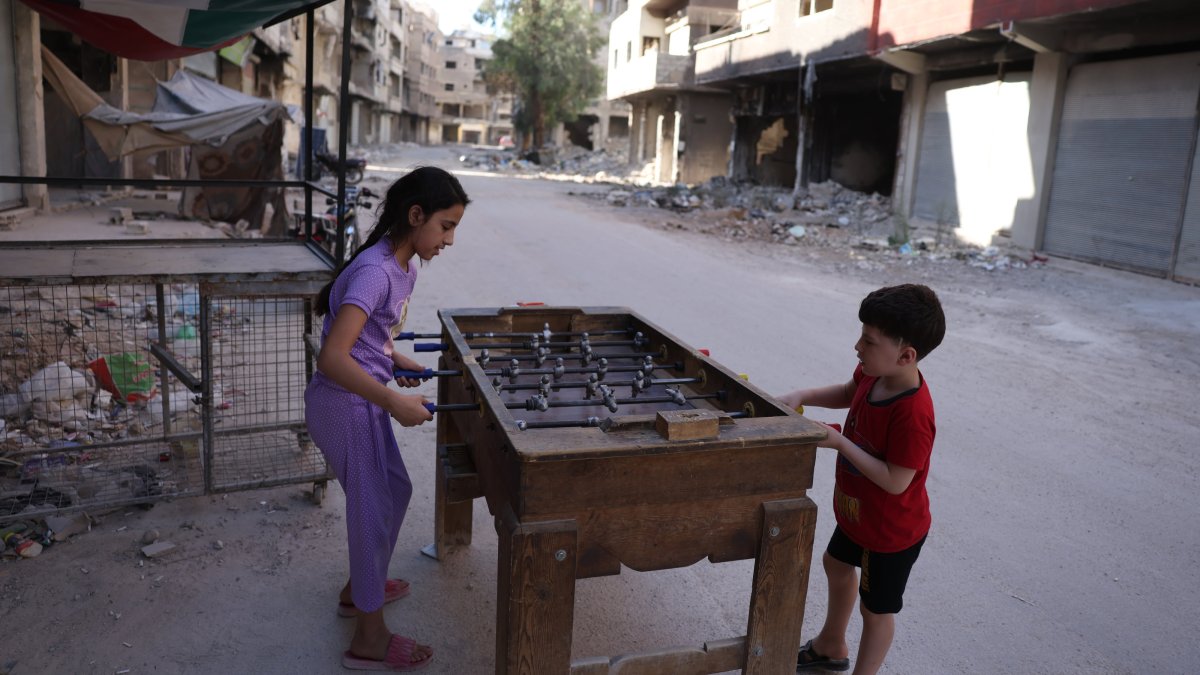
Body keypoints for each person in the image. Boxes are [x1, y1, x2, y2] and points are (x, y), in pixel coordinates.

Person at [304, 166, 469, 671]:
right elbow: (332, 357)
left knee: (394, 492)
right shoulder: (376, 272)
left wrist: (393, 359)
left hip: (361, 400)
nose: (449, 240)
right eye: (445, 226)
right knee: (371, 511)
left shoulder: (405, 267)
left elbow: (367, 338)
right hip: (343, 406)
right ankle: (368, 638)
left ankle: (360, 589)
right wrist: (392, 401)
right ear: (415, 216)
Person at [777, 284, 945, 674]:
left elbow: (895, 481)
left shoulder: (914, 414)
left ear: (906, 355)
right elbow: (849, 392)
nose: (857, 346)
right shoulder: (874, 372)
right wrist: (801, 393)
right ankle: (830, 645)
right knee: (836, 564)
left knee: (876, 610)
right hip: (859, 516)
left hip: (891, 532)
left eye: (868, 341)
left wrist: (839, 442)